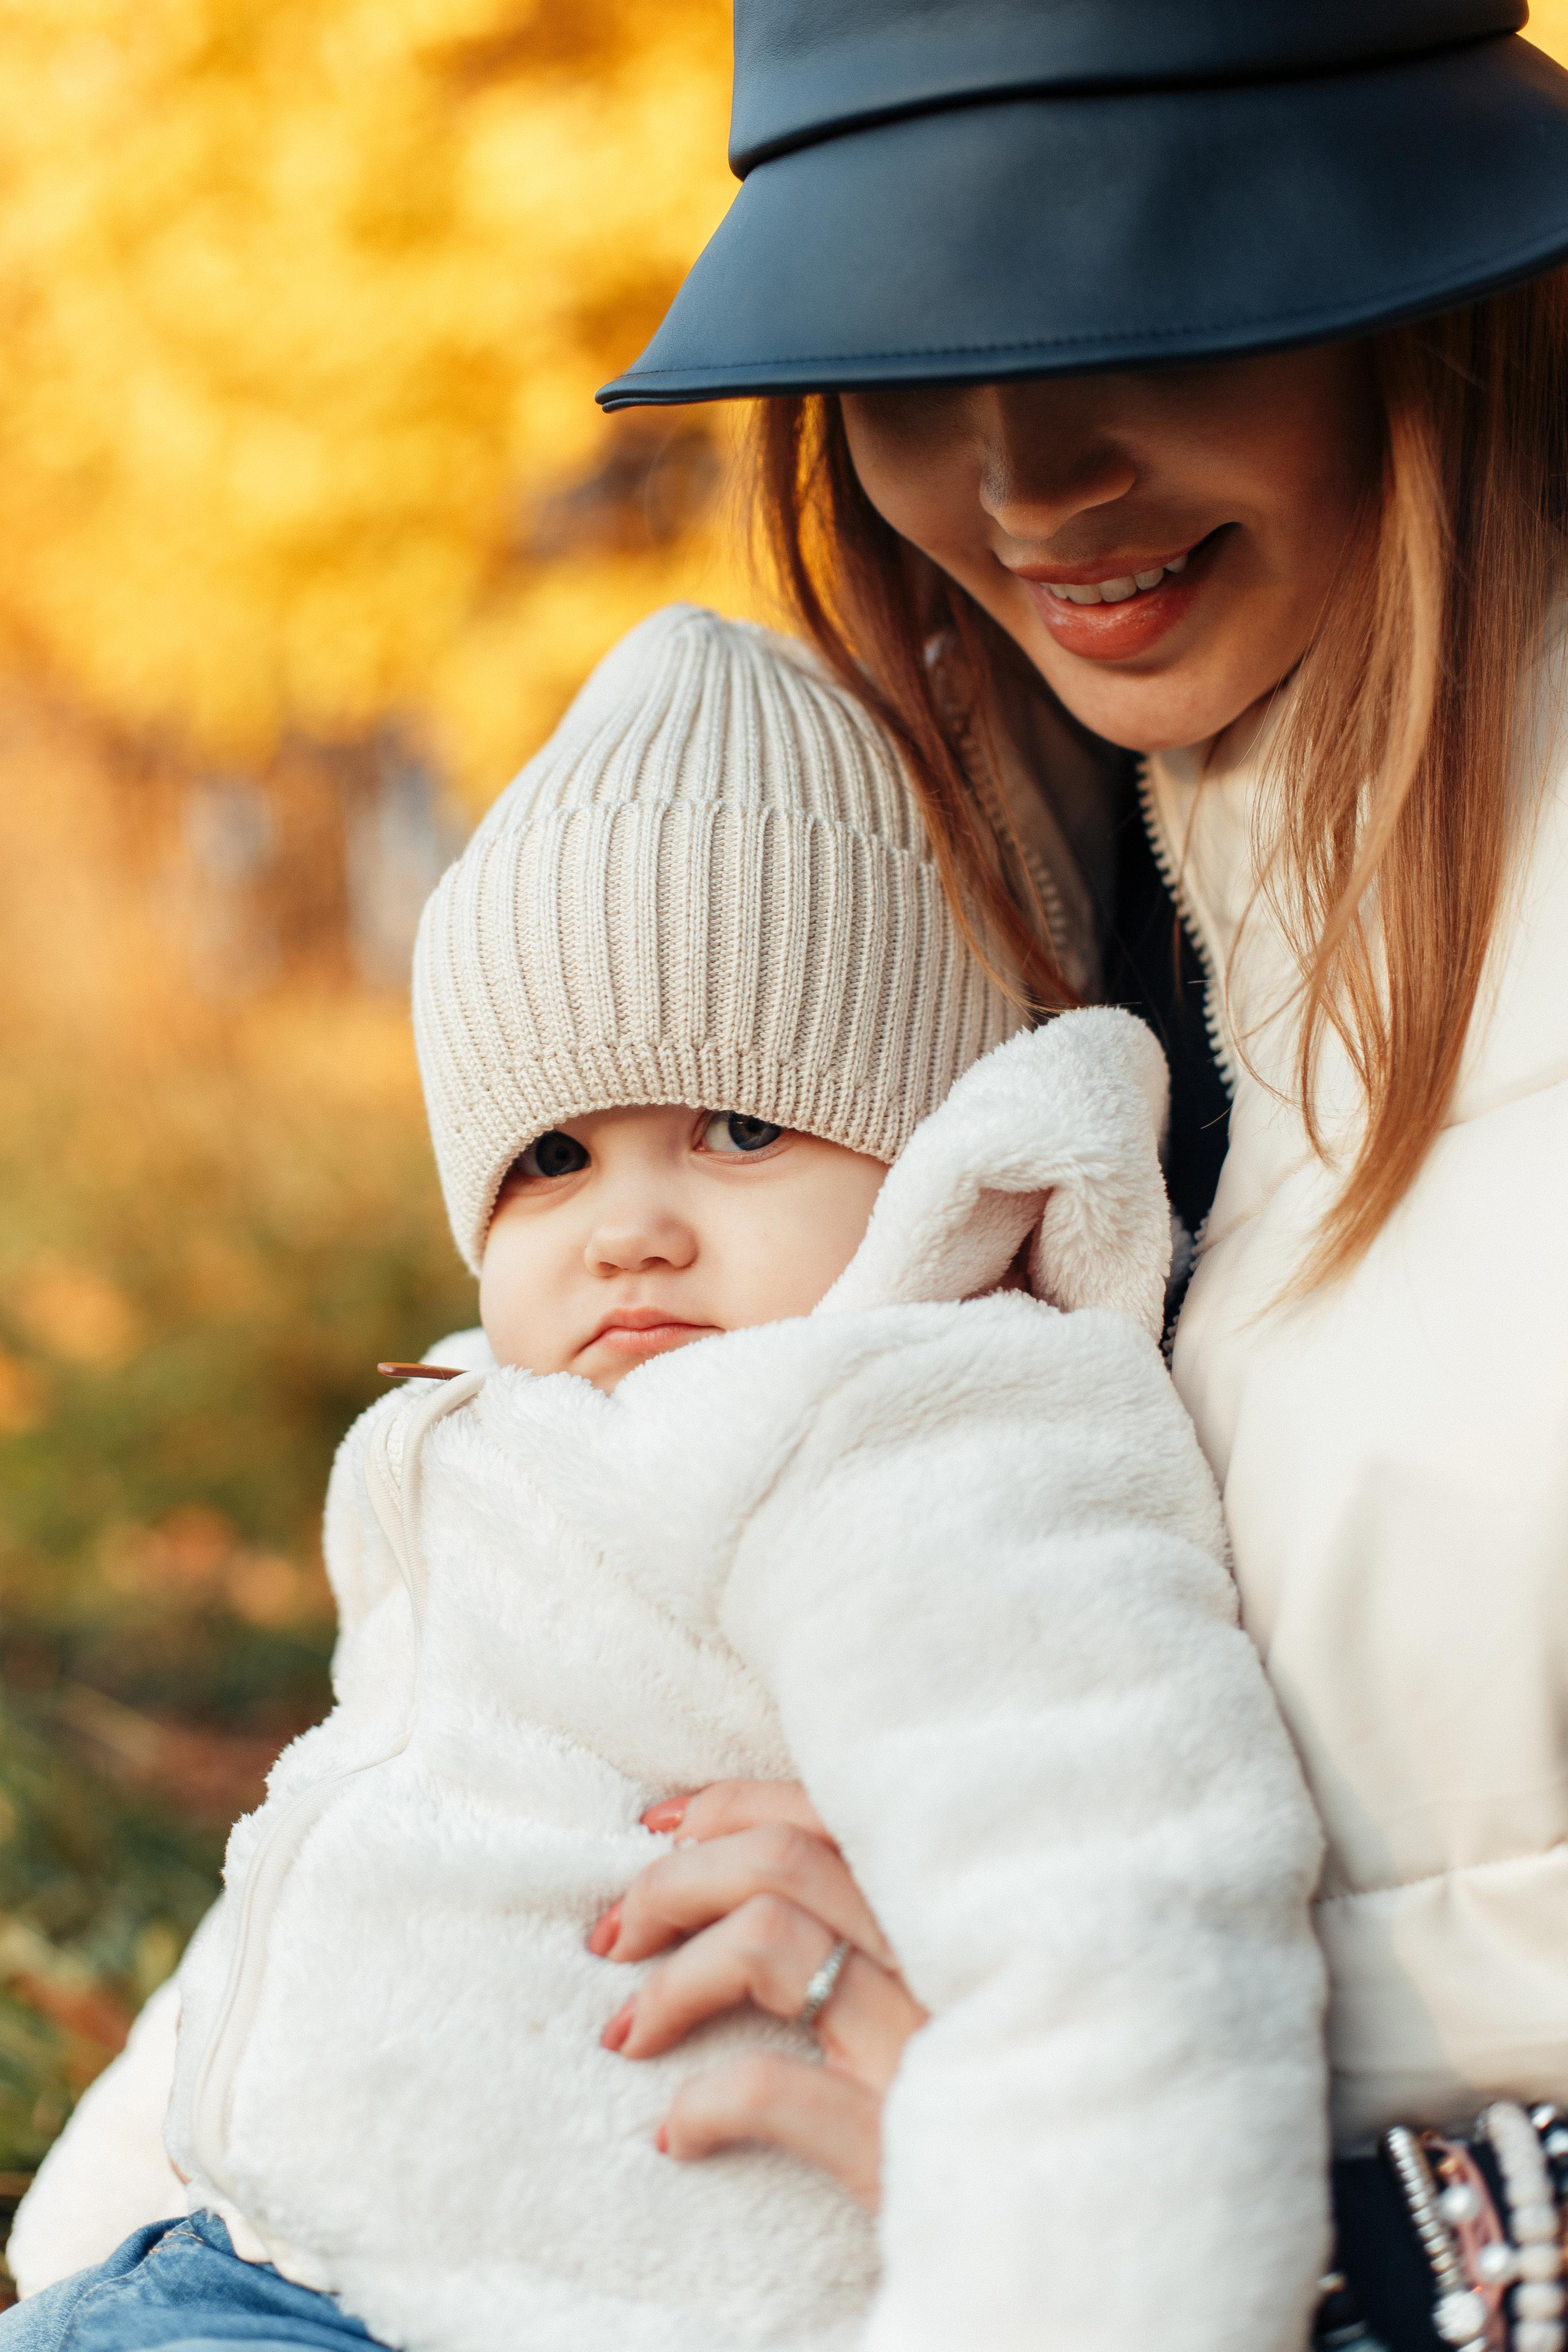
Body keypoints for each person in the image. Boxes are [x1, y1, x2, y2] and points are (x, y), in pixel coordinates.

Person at [3, 607, 1327, 2350]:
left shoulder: (915, 1442)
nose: (630, 1224)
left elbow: (1120, 1940)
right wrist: (85, 2227)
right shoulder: (522, 1429)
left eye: (741, 1128)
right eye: (553, 1157)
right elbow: (358, 1850)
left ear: (929, 1155)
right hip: (268, 2261)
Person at [606, 7, 1568, 2351]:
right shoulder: (943, 897)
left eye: (1150, 304)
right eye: (910, 359)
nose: (1028, 482)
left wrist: (1287, 2241)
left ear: (1423, 293)